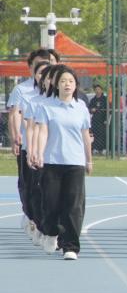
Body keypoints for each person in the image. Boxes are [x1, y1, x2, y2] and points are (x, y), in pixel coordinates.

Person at [30, 65, 92, 259]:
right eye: (63, 81)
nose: (67, 84)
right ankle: (51, 233)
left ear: (76, 85)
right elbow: (42, 132)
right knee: (51, 204)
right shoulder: (46, 106)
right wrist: (39, 153)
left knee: (73, 206)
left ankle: (70, 246)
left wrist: (89, 160)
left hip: (75, 162)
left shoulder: (81, 107)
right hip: (52, 161)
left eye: (71, 81)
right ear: (56, 85)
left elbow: (85, 135)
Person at [7, 49, 57, 233]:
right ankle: (32, 216)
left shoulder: (59, 92)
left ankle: (46, 223)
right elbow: (15, 114)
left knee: (48, 187)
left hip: (51, 148)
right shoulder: (22, 90)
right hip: (28, 145)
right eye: (38, 66)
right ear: (32, 69)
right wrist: (16, 138)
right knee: (28, 185)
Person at [88, 84, 108, 153]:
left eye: (99, 89)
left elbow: (108, 110)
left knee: (103, 134)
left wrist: (106, 119)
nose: (97, 91)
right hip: (95, 120)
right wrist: (91, 110)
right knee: (95, 134)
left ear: (101, 90)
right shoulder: (93, 100)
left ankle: (104, 148)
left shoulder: (105, 99)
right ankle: (95, 148)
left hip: (103, 120)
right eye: (96, 89)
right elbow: (89, 109)